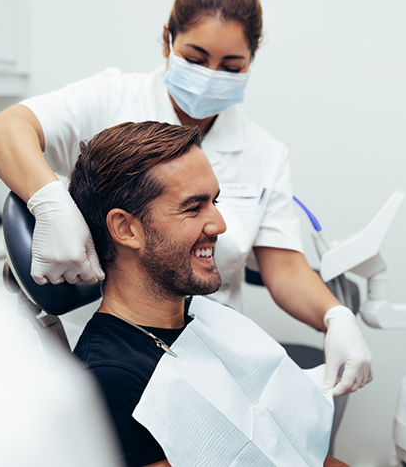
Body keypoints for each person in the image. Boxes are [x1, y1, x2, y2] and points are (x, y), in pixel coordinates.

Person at [0, 0, 371, 398]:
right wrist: (50, 201)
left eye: (230, 67)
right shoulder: (114, 98)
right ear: (167, 41)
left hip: (212, 352)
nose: (211, 75)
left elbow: (284, 268)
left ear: (250, 62)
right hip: (117, 354)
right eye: (196, 57)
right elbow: (6, 128)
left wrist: (337, 316)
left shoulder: (264, 152)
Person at [70, 120, 347, 467]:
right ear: (127, 228)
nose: (219, 225)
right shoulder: (110, 377)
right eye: (193, 207)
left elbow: (304, 450)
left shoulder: (206, 320)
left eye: (214, 201)